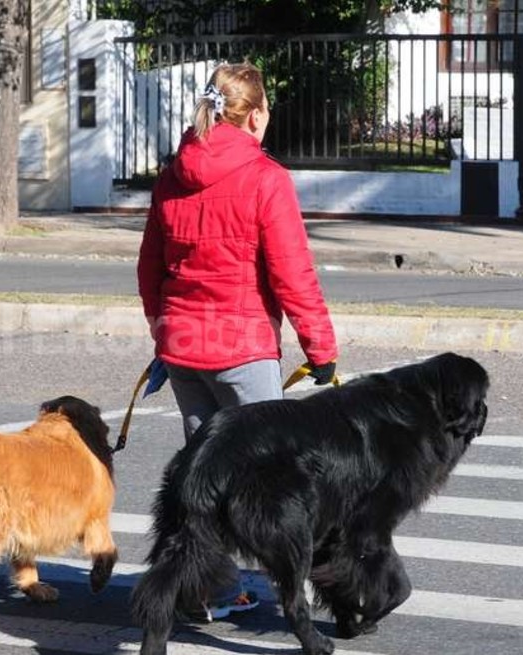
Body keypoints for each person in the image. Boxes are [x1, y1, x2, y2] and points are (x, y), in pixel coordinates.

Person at [136, 62, 339, 621]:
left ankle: (208, 587)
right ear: (255, 115)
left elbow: (150, 267)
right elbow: (293, 274)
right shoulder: (266, 178)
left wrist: (163, 330)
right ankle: (292, 590)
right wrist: (321, 351)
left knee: (204, 478)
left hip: (183, 352)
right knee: (270, 481)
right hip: (243, 351)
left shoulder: (172, 175)